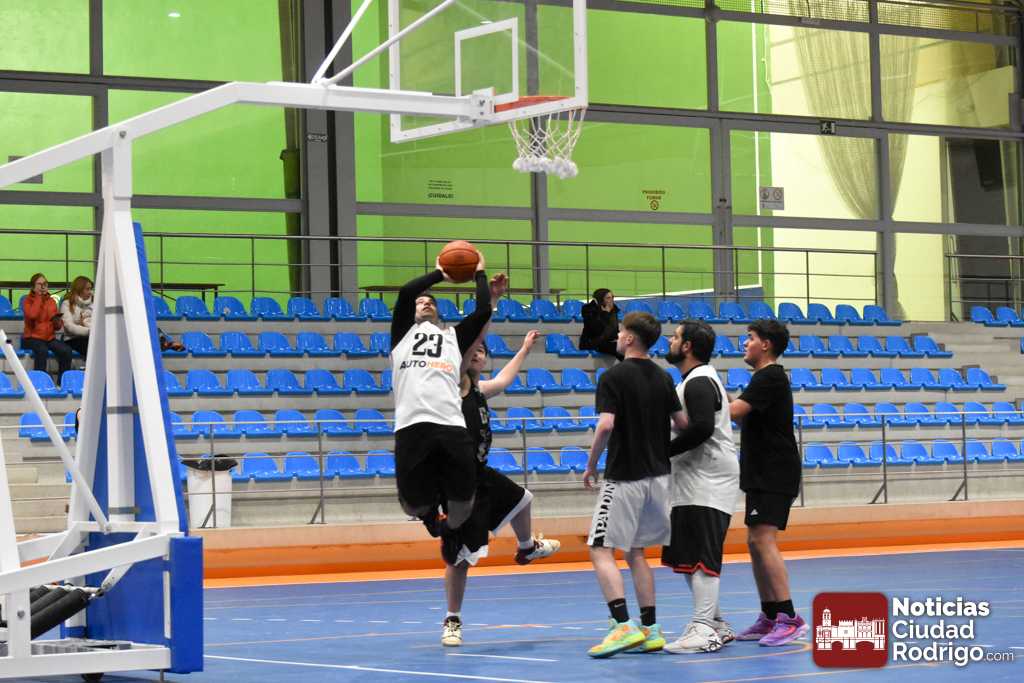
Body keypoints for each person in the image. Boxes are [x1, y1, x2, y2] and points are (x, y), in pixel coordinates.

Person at [439, 325, 561, 647]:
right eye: (473, 350)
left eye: (482, 351)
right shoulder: (455, 386)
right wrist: (479, 326)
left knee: (523, 499)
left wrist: (524, 349)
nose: (477, 354)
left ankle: (527, 548)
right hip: (458, 483)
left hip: (480, 474)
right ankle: (452, 620)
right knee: (460, 559)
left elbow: (505, 379)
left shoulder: (479, 389)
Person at [582, 311, 687, 658]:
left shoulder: (613, 376)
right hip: (659, 478)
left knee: (600, 548)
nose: (616, 337)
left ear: (629, 338)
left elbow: (605, 426)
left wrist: (591, 465)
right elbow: (681, 423)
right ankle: (651, 629)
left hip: (625, 475)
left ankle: (622, 624)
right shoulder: (663, 376)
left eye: (619, 332)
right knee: (636, 551)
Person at [390, 250, 491, 540]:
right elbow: (407, 291)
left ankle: (448, 529)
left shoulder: (453, 337)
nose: (425, 303)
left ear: (439, 312)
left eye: (431, 302)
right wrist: (439, 274)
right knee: (412, 505)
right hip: (412, 425)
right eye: (420, 302)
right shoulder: (402, 335)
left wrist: (479, 273)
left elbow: (483, 312)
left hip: (451, 425)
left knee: (463, 506)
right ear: (411, 312)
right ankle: (428, 515)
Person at [660, 321, 740, 654]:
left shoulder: (699, 381)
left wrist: (661, 452)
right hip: (693, 478)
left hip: (707, 479)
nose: (670, 340)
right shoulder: (695, 380)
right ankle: (716, 623)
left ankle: (704, 627)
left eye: (676, 337)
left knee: (703, 555)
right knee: (688, 555)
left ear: (688, 346)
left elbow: (703, 427)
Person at [729, 319, 807, 646]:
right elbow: (742, 416)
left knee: (763, 539)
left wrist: (700, 397)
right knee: (754, 541)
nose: (745, 343)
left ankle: (789, 617)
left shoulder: (770, 376)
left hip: (775, 470)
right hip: (760, 470)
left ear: (766, 344)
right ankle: (770, 615)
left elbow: (733, 411)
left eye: (750, 338)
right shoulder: (761, 379)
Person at [21, 273, 73, 380]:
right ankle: (39, 382)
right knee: (42, 350)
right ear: (33, 287)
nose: (43, 286)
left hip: (49, 338)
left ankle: (61, 382)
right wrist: (38, 297)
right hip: (31, 338)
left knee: (66, 350)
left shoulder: (51, 301)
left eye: (45, 284)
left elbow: (57, 328)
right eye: (39, 284)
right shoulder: (28, 301)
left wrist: (57, 321)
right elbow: (32, 315)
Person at [579, 288, 622, 361]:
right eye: (608, 298)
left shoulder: (613, 309)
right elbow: (596, 329)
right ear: (600, 299)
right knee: (620, 349)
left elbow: (614, 329)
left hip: (607, 341)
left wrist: (619, 338)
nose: (611, 300)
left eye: (612, 297)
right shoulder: (588, 309)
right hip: (592, 342)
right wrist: (605, 313)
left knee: (628, 346)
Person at [61, 276, 93, 360]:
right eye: (87, 289)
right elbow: (69, 326)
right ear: (79, 289)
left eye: (91, 289)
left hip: (90, 337)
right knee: (92, 348)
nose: (90, 292)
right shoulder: (67, 303)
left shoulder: (93, 303)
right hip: (72, 339)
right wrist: (89, 331)